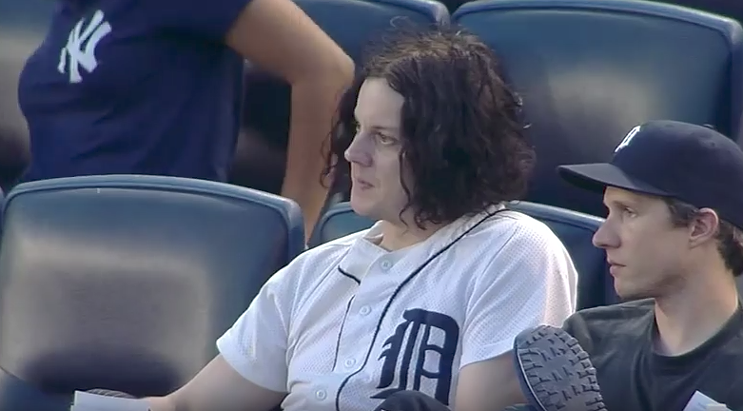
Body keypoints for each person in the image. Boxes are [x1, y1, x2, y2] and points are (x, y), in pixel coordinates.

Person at [135, 27, 579, 411]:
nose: (353, 154)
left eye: (383, 138)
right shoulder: (312, 272)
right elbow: (188, 405)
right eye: (358, 129)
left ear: (449, 150)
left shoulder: (513, 250)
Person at [515, 120, 743, 411]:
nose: (602, 238)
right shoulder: (587, 340)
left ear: (699, 227)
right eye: (608, 211)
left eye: (628, 211)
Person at [16, 0, 354, 240]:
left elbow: (326, 71)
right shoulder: (71, 10)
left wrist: (295, 232)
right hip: (46, 240)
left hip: (153, 248)